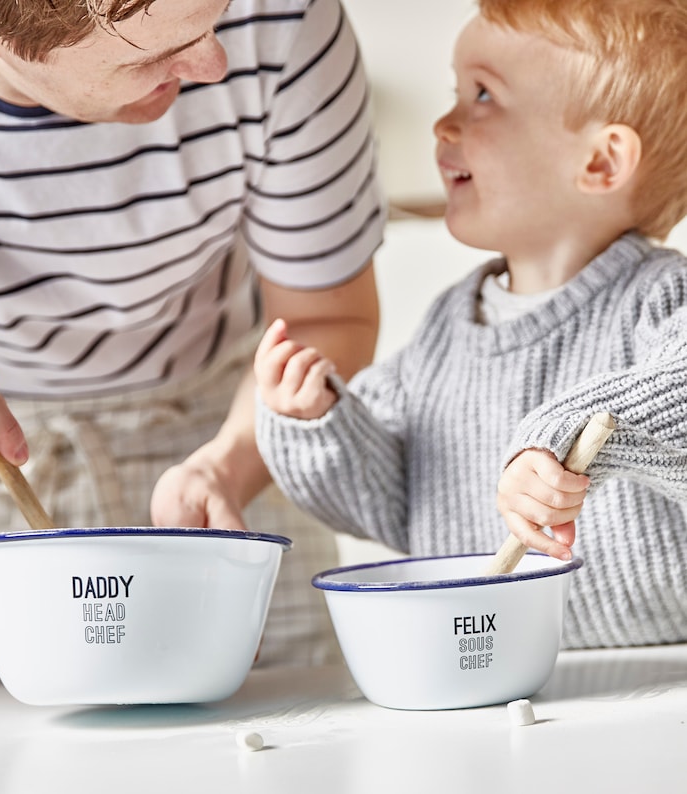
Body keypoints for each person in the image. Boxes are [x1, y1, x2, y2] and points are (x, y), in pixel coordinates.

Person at [0, 0, 386, 687]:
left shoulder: (281, 16)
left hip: (228, 435)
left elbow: (327, 320)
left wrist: (226, 467)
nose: (215, 64)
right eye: (150, 56)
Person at [255, 0, 687, 650]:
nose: (443, 123)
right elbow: (387, 501)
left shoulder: (659, 296)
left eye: (483, 95)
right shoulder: (445, 328)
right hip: (484, 673)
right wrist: (319, 423)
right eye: (456, 91)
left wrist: (560, 438)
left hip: (661, 681)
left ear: (600, 162)